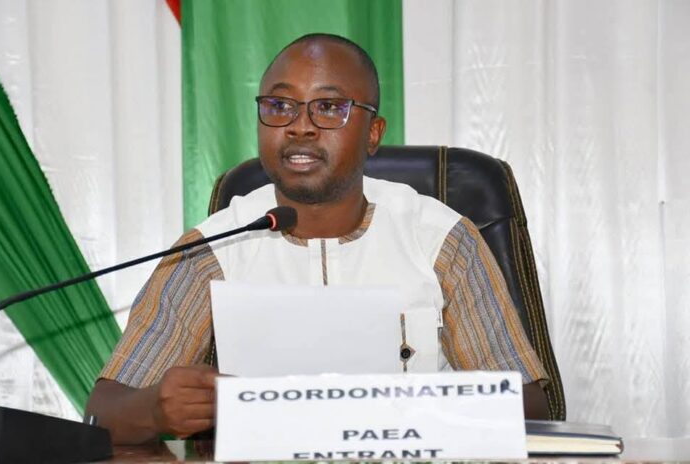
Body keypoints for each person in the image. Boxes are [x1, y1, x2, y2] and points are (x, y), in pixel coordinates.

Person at [86, 33, 550, 444]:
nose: (300, 126)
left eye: (328, 107)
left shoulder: (440, 239)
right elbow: (103, 411)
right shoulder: (213, 248)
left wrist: (415, 411)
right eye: (280, 106)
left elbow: (530, 407)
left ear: (373, 133)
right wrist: (155, 410)